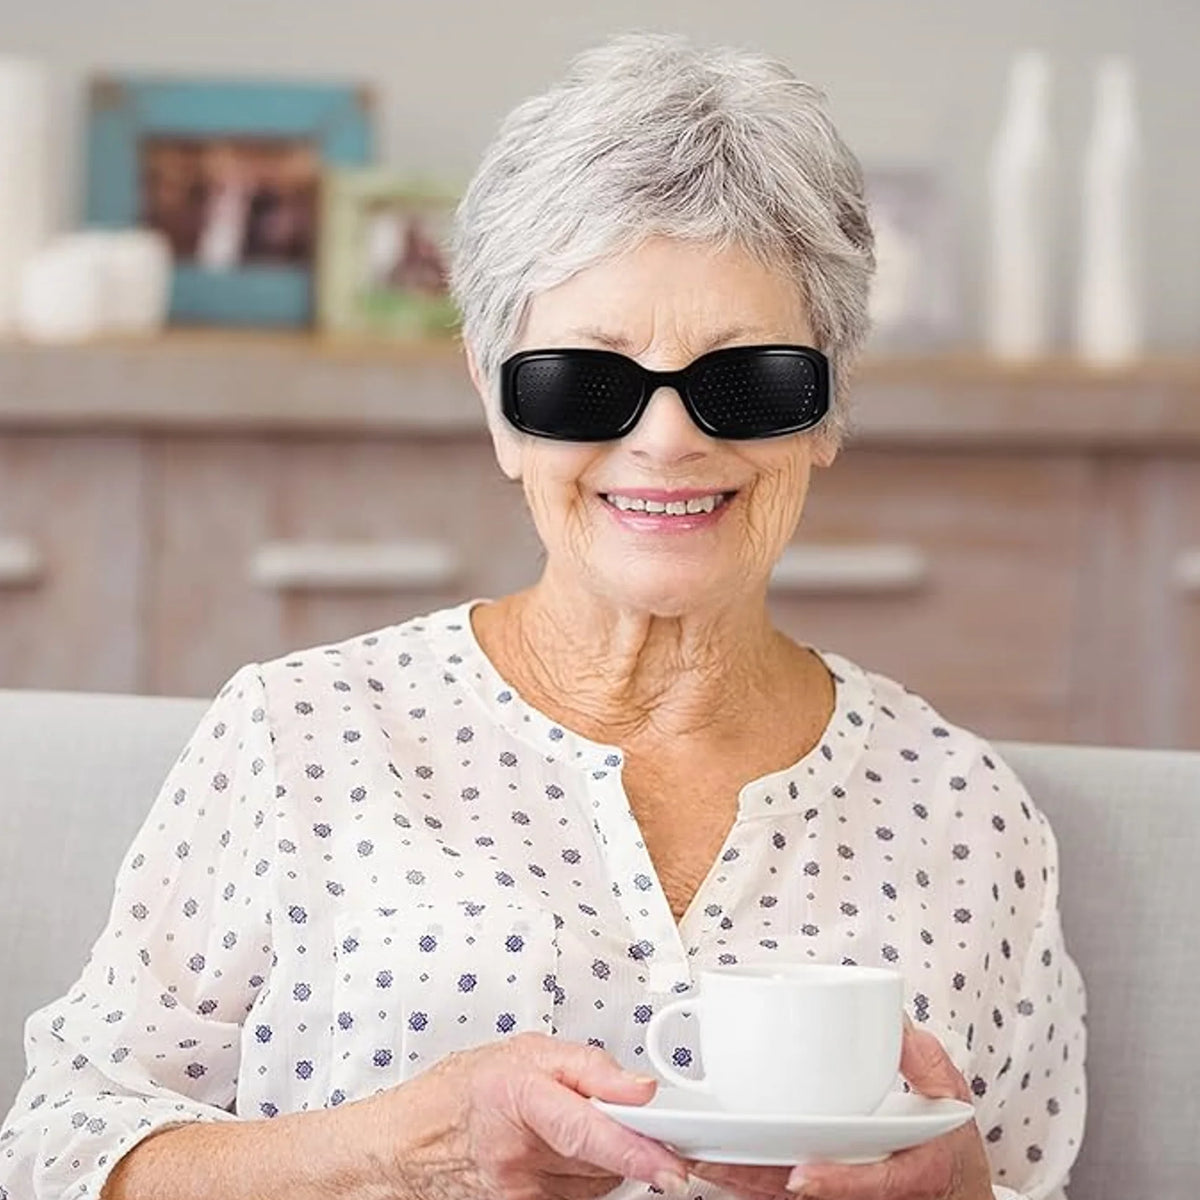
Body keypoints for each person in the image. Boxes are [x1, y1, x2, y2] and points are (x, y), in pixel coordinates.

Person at [0, 33, 1085, 1200]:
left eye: (746, 378)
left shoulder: (967, 813)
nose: (667, 440)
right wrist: (399, 1155)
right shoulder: (297, 735)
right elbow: (58, 1153)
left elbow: (1035, 1176)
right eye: (586, 380)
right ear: (498, 402)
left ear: (826, 407)